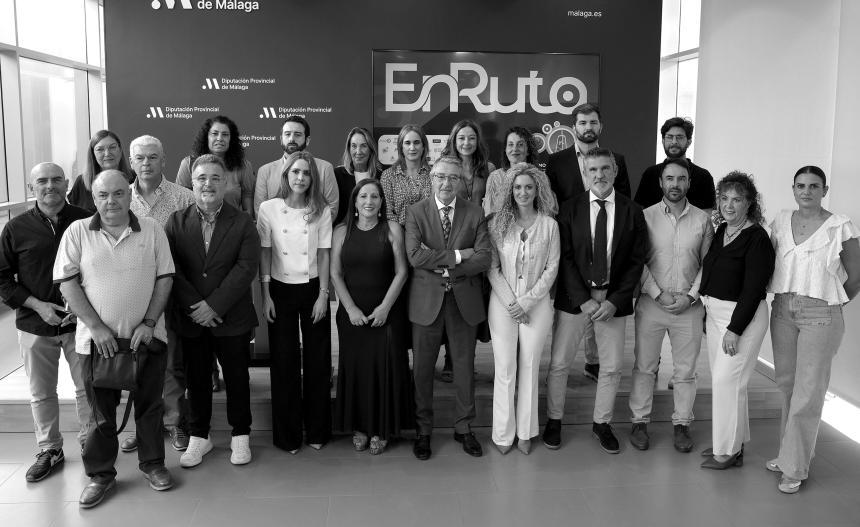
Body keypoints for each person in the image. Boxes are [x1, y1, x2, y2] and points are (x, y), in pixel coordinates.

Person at [54, 170, 175, 508]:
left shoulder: (152, 230)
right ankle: (101, 475)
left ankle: (153, 465)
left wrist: (149, 322)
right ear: (94, 199)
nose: (111, 201)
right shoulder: (78, 231)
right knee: (100, 414)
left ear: (130, 195)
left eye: (119, 193)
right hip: (96, 343)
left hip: (147, 338)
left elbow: (166, 278)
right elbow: (67, 283)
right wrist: (96, 326)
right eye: (103, 195)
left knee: (150, 407)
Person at [543, 148, 647, 453]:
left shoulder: (632, 211)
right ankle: (554, 420)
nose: (599, 175)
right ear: (585, 174)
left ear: (614, 171)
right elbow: (564, 257)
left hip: (613, 300)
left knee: (612, 367)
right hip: (575, 298)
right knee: (559, 364)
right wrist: (583, 300)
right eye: (592, 170)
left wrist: (615, 300)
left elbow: (636, 261)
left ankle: (602, 423)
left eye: (604, 169)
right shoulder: (569, 209)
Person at [766, 165, 860, 493]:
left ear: (824, 190)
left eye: (814, 186)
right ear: (793, 189)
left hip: (820, 314)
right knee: (787, 385)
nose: (806, 191)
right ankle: (789, 453)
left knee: (808, 392)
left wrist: (830, 302)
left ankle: (794, 466)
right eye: (801, 185)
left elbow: (856, 276)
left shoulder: (839, 226)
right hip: (782, 310)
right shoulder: (780, 221)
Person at [165, 154, 260, 468]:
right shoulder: (176, 222)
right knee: (197, 380)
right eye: (201, 178)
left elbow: (245, 269)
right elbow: (172, 269)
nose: (208, 184)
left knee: (237, 378)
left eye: (215, 178)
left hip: (231, 317)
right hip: (191, 317)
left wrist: (214, 306)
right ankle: (199, 436)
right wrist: (197, 307)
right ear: (192, 183)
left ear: (226, 183)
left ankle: (240, 435)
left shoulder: (243, 222)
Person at [0, 163, 92, 482]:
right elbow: (2, 279)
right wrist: (38, 307)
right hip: (34, 323)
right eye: (42, 181)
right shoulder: (15, 228)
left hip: (81, 323)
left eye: (56, 179)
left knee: (87, 389)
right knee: (41, 393)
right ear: (32, 187)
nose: (49, 185)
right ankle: (50, 449)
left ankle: (90, 443)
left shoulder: (86, 221)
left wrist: (84, 308)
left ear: (66, 184)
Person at [405, 156, 492, 460]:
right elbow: (415, 256)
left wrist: (441, 262)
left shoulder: (475, 212)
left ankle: (464, 428)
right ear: (431, 178)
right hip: (426, 303)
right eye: (440, 176)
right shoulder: (416, 212)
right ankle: (423, 430)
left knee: (464, 369)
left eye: (453, 177)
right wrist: (458, 256)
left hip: (463, 301)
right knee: (423, 369)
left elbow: (483, 258)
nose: (446, 183)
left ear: (461, 181)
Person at [627, 158, 713, 453]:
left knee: (685, 372)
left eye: (681, 179)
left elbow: (708, 264)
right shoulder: (645, 216)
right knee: (645, 367)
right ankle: (639, 422)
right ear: (660, 182)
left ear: (689, 183)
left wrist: (691, 296)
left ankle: (682, 425)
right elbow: (637, 260)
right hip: (653, 303)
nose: (675, 184)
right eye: (669, 178)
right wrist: (657, 293)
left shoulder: (702, 220)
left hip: (689, 306)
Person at [546, 103, 631, 383]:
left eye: (593, 122)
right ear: (574, 127)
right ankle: (561, 363)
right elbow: (551, 203)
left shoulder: (617, 159)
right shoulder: (557, 161)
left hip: (605, 241)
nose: (588, 127)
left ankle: (593, 361)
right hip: (571, 244)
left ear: (601, 126)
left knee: (601, 298)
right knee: (573, 303)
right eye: (582, 123)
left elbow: (625, 202)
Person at [122, 134, 196, 454]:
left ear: (164, 160)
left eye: (153, 157)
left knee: (173, 360)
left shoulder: (184, 197)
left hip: (174, 292)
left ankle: (176, 421)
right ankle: (146, 426)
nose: (146, 163)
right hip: (134, 294)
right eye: (140, 158)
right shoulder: (120, 198)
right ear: (131, 162)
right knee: (139, 363)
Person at [258, 151, 333, 453]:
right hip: (279, 289)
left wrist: (324, 295)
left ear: (313, 178)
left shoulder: (321, 211)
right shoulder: (268, 208)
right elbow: (265, 252)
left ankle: (317, 431)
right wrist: (266, 295)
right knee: (283, 362)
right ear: (286, 175)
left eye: (306, 173)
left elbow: (324, 254)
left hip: (313, 288)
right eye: (295, 172)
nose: (300, 177)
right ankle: (287, 436)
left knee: (318, 361)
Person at [699, 171, 775, 470]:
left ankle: (727, 452)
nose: (729, 205)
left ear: (749, 203)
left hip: (742, 319)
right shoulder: (722, 230)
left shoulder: (757, 238)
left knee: (725, 382)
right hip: (716, 315)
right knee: (730, 384)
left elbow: (754, 290)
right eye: (725, 198)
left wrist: (734, 329)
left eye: (737, 200)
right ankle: (732, 443)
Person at [331, 179, 412, 455]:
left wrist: (385, 307)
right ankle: (361, 426)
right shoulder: (341, 231)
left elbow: (402, 272)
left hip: (387, 312)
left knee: (385, 368)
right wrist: (350, 309)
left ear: (381, 202)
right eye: (363, 196)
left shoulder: (392, 229)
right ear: (354, 201)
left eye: (375, 196)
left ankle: (382, 428)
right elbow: (335, 274)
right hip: (352, 313)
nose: (369, 201)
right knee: (357, 369)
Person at [486, 164, 559, 455]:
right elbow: (492, 269)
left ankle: (526, 433)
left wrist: (526, 302)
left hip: (537, 305)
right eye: (517, 187)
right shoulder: (497, 224)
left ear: (537, 189)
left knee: (529, 365)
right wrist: (512, 304)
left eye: (528, 187)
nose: (523, 192)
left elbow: (552, 268)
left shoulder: (549, 225)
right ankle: (503, 434)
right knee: (505, 367)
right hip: (502, 303)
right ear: (510, 191)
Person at [254, 115, 339, 220]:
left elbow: (332, 209)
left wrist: (305, 227)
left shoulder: (325, 169)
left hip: (313, 229)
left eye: (297, 135)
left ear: (307, 140)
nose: (291, 139)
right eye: (287, 134)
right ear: (281, 139)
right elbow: (260, 212)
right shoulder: (265, 171)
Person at [175, 115, 256, 215]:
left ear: (231, 139)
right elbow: (180, 200)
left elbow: (248, 201)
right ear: (206, 137)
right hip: (195, 223)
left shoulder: (243, 166)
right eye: (214, 133)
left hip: (233, 223)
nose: (219, 138)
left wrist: (246, 222)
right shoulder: (188, 164)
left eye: (225, 134)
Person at [634, 117, 716, 213]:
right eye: (669, 137)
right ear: (663, 141)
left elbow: (706, 217)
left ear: (689, 141)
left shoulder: (703, 177)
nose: (674, 142)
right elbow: (639, 213)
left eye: (679, 137)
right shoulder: (650, 174)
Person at [67, 130, 134, 212]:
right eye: (100, 149)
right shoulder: (82, 182)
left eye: (112, 147)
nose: (107, 153)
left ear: (120, 150)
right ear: (93, 154)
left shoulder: (134, 178)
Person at [380, 124, 432, 227]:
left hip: (428, 231)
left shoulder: (434, 174)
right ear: (401, 147)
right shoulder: (388, 176)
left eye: (416, 142)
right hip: (399, 231)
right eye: (407, 143)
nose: (412, 147)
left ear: (423, 146)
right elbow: (388, 212)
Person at [483, 127, 539, 215]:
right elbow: (489, 213)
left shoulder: (538, 177)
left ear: (528, 150)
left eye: (520, 144)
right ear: (505, 150)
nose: (515, 149)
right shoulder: (495, 177)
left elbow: (545, 209)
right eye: (510, 144)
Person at [333, 127, 383, 226]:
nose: (358, 151)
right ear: (349, 149)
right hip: (345, 229)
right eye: (354, 146)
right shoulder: (338, 174)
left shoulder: (382, 176)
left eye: (363, 146)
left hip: (375, 228)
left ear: (371, 149)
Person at [440, 119, 495, 206]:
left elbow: (494, 202)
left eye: (472, 138)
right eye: (461, 138)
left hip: (482, 215)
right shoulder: (443, 169)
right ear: (454, 141)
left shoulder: (489, 168)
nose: (466, 143)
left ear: (477, 141)